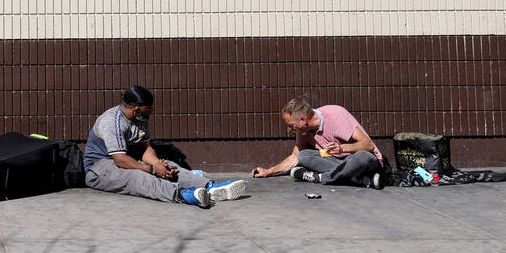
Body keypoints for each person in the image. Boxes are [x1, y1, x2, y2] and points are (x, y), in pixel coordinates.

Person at [83, 86, 246, 208]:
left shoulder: (140, 118)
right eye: (149, 109)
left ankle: (209, 187)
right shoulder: (111, 121)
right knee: (139, 177)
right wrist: (151, 170)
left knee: (169, 166)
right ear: (136, 109)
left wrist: (157, 165)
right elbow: (120, 160)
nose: (151, 112)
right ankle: (184, 195)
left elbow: (145, 147)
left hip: (128, 159)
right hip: (100, 168)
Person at [252, 98, 384, 189]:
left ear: (303, 120)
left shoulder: (335, 115)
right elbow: (295, 157)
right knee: (304, 156)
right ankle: (358, 179)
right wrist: (268, 171)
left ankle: (319, 178)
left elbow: (368, 145)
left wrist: (342, 148)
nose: (289, 129)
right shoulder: (303, 130)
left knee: (361, 157)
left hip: (365, 162)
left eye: (291, 125)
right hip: (337, 164)